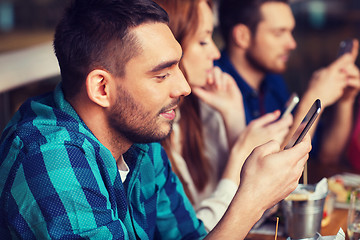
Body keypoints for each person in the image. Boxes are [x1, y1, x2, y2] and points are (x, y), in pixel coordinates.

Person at [0, 0, 311, 238]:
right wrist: (252, 198)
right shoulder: (49, 158)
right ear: (101, 87)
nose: (184, 87)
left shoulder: (142, 146)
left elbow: (193, 237)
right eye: (162, 74)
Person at [154, 0, 293, 231]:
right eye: (202, 41)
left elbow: (256, 213)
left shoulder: (201, 110)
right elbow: (201, 233)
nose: (215, 52)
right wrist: (239, 158)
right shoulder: (150, 129)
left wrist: (234, 117)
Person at [216, 0, 360, 160]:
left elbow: (327, 156)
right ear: (242, 36)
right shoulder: (215, 86)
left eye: (290, 32)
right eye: (279, 33)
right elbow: (265, 175)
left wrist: (346, 100)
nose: (292, 44)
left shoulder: (272, 80)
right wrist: (313, 98)